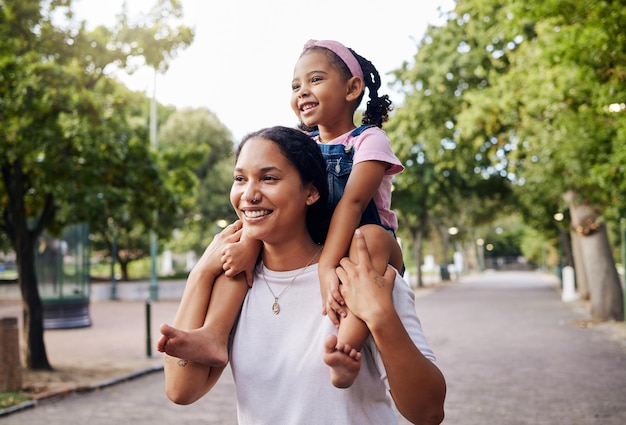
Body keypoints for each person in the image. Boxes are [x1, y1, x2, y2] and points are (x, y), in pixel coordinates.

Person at [158, 126, 446, 424]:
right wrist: (202, 272)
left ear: (311, 192)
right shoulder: (235, 282)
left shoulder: (359, 274)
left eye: (269, 178)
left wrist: (381, 315)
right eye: (240, 179)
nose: (249, 194)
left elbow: (428, 412)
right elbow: (181, 390)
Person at [291, 39, 405, 388]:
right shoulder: (300, 147)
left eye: (315, 80)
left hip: (371, 246)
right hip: (322, 243)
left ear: (352, 88)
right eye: (296, 85)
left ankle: (346, 349)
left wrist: (327, 265)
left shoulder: (369, 140)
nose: (302, 91)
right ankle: (212, 333)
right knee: (244, 235)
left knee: (367, 238)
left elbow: (353, 203)